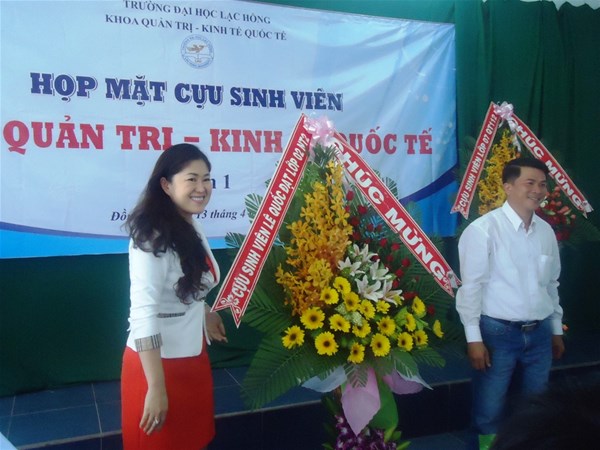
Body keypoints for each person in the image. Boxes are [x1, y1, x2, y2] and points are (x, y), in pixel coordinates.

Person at [121, 143, 227, 450]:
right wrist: (155, 387)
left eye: (206, 179)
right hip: (157, 368)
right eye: (191, 179)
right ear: (166, 185)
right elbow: (143, 314)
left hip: (192, 357)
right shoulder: (150, 236)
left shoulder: (191, 224)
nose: (201, 188)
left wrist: (204, 311)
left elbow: (186, 284)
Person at [455, 158, 565, 449]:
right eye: (530, 183)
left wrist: (556, 330)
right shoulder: (483, 230)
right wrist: (474, 339)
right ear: (508, 186)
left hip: (540, 334)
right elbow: (471, 288)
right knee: (488, 412)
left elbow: (551, 285)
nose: (538, 190)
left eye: (542, 184)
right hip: (497, 334)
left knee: (535, 408)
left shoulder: (546, 232)